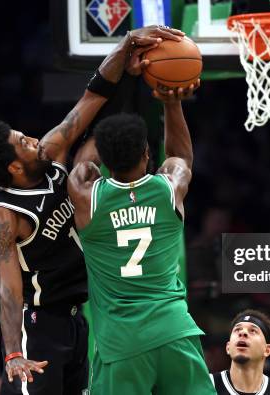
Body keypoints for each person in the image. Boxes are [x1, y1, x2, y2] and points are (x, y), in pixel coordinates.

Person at [0, 26, 185, 395]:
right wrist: (11, 354)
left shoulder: (48, 156)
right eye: (23, 142)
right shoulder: (3, 215)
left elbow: (92, 98)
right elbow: (9, 290)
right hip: (40, 325)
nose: (34, 139)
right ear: (13, 168)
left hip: (79, 318)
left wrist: (126, 46)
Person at [68, 84, 214, 394]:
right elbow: (181, 156)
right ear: (147, 153)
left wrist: (114, 86)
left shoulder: (87, 197)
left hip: (123, 344)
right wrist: (171, 102)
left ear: (105, 159)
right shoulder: (168, 188)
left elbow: (82, 164)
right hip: (174, 330)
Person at [211, 309, 270, 395]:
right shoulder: (205, 384)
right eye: (237, 329)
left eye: (253, 331)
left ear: (267, 350)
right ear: (228, 347)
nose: (242, 333)